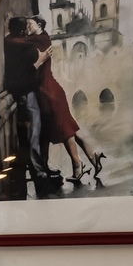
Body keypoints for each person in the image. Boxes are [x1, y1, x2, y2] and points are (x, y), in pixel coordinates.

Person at [28, 16, 105, 184]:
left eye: (29, 24)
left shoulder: (40, 39)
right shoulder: (42, 37)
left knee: (65, 130)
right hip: (51, 91)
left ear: (39, 25)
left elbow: (17, 41)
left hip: (50, 93)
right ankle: (93, 157)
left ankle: (78, 164)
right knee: (69, 128)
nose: (27, 28)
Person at [1, 17, 49, 180]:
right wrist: (40, 60)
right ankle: (38, 171)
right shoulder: (25, 47)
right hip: (27, 93)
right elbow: (27, 71)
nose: (29, 30)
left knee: (26, 134)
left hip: (17, 94)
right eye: (27, 27)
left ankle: (34, 168)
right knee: (34, 132)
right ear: (22, 31)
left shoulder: (8, 41)